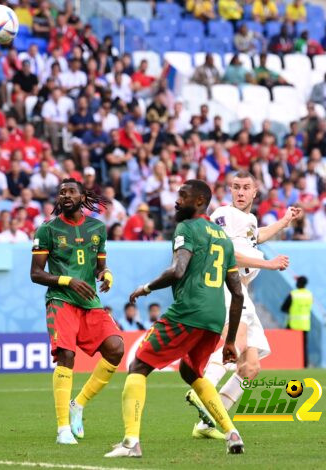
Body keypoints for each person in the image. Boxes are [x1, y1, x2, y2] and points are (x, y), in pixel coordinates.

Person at [105, 179, 245, 458]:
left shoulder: (187, 228)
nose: (176, 200)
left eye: (183, 195)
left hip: (189, 312)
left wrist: (145, 288)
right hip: (215, 318)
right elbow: (238, 294)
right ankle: (231, 433)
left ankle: (131, 442)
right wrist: (229, 340)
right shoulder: (222, 238)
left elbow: (177, 270)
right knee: (190, 371)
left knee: (138, 365)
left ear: (200, 202)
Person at [187, 171, 301, 440]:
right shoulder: (224, 214)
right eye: (235, 187)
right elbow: (226, 252)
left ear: (255, 191)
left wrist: (285, 221)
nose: (240, 192)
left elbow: (254, 236)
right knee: (234, 340)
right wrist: (269, 264)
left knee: (250, 366)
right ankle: (202, 387)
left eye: (245, 188)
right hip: (227, 285)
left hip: (243, 290)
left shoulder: (248, 219)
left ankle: (208, 422)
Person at [30, 178, 123, 445]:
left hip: (89, 302)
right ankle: (63, 430)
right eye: (61, 192)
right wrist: (66, 280)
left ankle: (78, 404)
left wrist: (106, 275)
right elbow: (35, 273)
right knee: (66, 355)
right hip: (61, 300)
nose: (65, 195)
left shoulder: (98, 228)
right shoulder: (47, 230)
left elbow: (99, 267)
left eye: (71, 191)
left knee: (116, 348)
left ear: (83, 197)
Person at [281, 276, 313, 367]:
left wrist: (290, 311)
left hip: (293, 325)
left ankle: (290, 364)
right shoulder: (309, 294)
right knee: (304, 347)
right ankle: (304, 365)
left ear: (298, 283)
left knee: (290, 347)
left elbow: (283, 308)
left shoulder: (293, 294)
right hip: (305, 325)